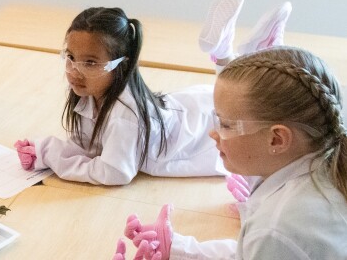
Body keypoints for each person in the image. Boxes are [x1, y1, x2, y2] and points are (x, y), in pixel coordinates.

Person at [13, 0, 288, 185]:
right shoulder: (91, 93)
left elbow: (115, 172)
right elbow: (90, 145)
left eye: (90, 63)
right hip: (181, 111)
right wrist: (45, 151)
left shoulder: (124, 115)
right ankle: (235, 52)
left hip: (198, 130)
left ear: (122, 65)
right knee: (237, 94)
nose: (74, 70)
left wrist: (51, 154)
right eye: (70, 57)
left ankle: (249, 54)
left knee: (254, 108)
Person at [117, 47, 347, 259]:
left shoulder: (278, 228)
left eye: (226, 125)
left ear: (277, 138)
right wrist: (179, 248)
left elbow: (268, 244)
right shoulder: (325, 163)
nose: (213, 133)